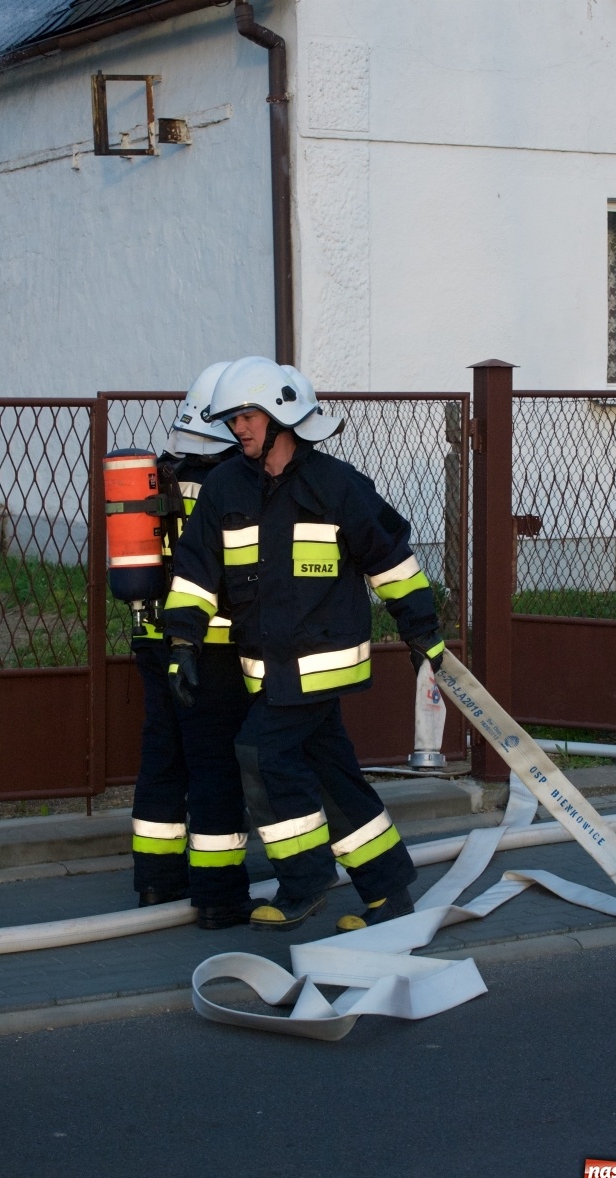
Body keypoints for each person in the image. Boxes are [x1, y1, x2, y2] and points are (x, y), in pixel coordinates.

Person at [163, 356, 445, 932]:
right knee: (335, 777)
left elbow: (392, 563)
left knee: (261, 753)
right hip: (265, 665)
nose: (237, 428)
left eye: (246, 416)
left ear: (281, 416)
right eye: (231, 418)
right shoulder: (224, 487)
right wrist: (183, 644)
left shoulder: (338, 486)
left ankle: (304, 880)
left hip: (321, 661)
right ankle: (388, 890)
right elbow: (196, 573)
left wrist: (420, 630)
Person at [130, 362, 254, 930]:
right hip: (213, 646)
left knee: (163, 759)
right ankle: (219, 896)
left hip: (152, 638)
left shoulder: (156, 474)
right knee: (214, 768)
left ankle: (156, 882)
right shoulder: (233, 481)